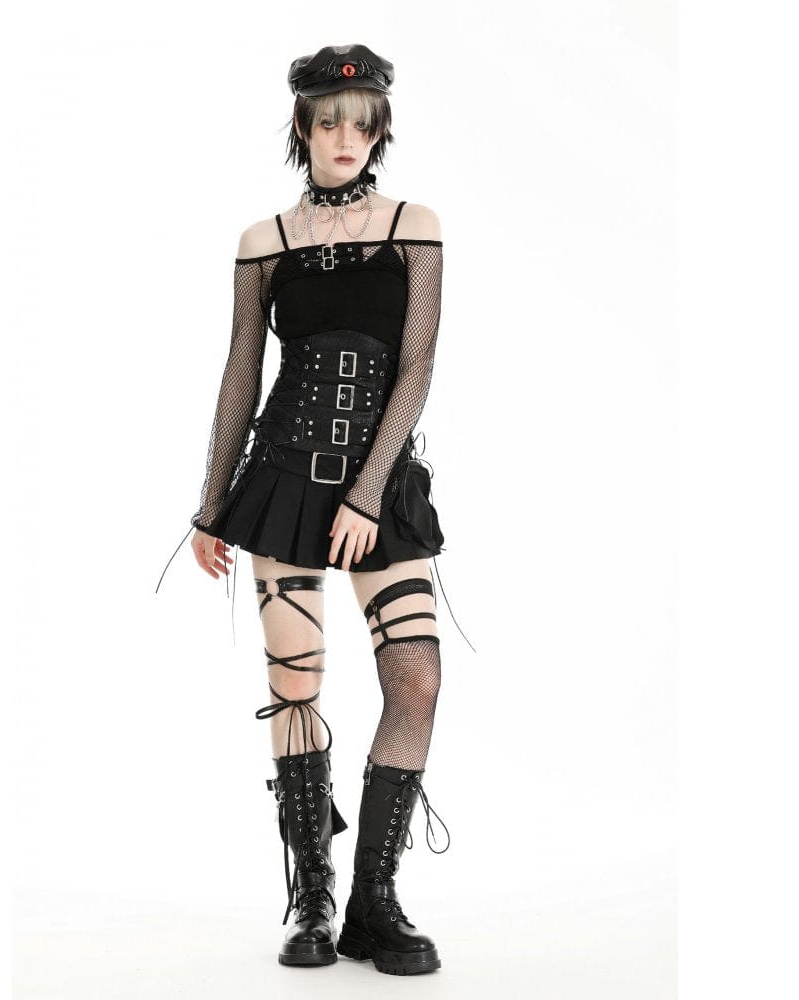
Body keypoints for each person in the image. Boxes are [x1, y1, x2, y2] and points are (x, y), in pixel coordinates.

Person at [155, 43, 474, 975]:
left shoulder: (413, 225)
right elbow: (240, 372)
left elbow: (417, 364)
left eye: (361, 122)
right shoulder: (266, 240)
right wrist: (212, 505)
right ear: (303, 126)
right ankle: (313, 895)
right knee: (295, 686)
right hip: (284, 479)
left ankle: (376, 898)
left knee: (415, 678)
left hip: (380, 484)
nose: (344, 137)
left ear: (380, 129)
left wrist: (368, 493)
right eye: (328, 121)